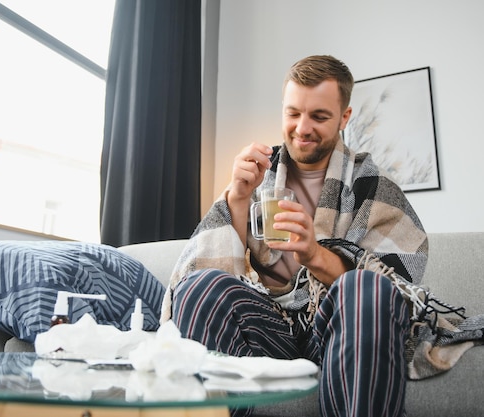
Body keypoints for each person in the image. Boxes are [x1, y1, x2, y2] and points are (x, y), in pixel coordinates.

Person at [160, 55, 429, 417]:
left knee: (365, 287)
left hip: (338, 333)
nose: (302, 128)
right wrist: (238, 197)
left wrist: (315, 254)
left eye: (318, 116)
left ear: (344, 118)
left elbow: (396, 287)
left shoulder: (372, 186)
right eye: (293, 114)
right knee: (200, 287)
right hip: (269, 330)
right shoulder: (260, 174)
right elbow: (221, 263)